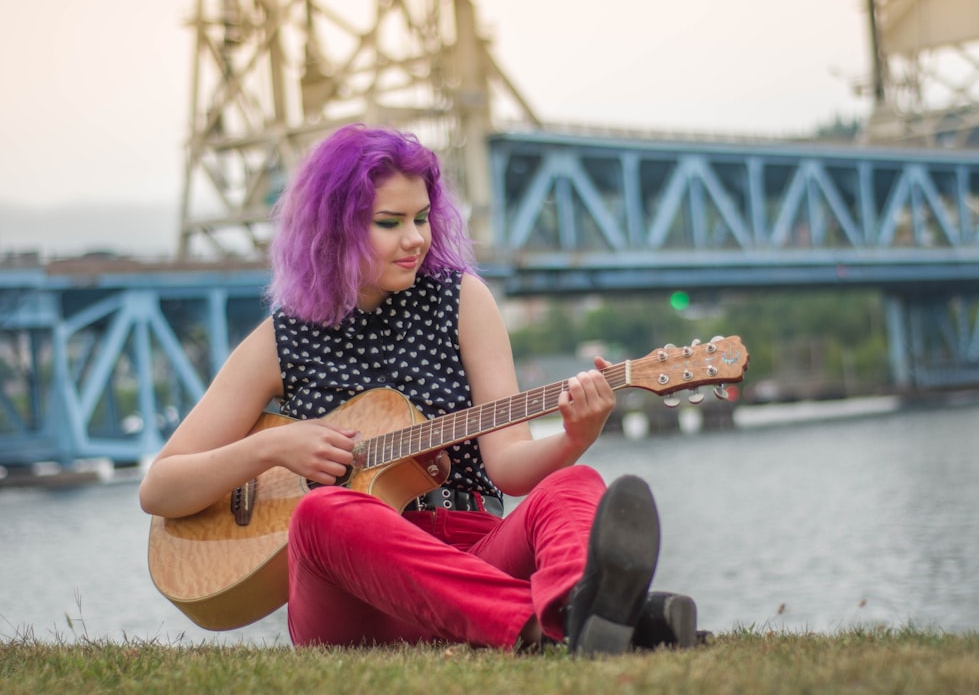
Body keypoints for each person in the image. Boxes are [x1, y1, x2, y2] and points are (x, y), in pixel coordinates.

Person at [138, 124, 696, 654]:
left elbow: (508, 467)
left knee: (573, 484)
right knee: (322, 513)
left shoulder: (462, 300)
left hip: (476, 550)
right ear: (335, 228)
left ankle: (579, 606)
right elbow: (160, 489)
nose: (415, 240)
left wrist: (576, 436)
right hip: (356, 598)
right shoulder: (281, 339)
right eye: (389, 222)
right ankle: (549, 622)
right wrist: (272, 447)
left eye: (423, 217)